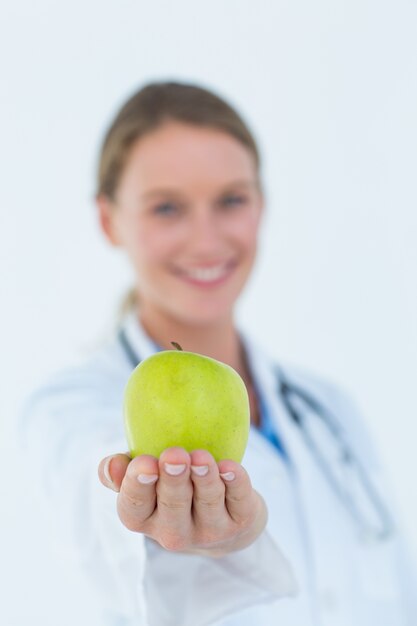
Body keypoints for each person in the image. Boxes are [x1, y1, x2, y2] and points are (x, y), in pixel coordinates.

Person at [20, 81, 416, 626]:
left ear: (261, 205)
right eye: (166, 208)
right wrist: (194, 529)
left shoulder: (331, 410)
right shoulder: (69, 407)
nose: (206, 241)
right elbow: (101, 493)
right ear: (109, 220)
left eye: (231, 200)